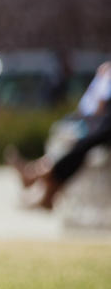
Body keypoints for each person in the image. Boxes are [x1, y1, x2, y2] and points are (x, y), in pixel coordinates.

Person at [8, 61, 111, 210]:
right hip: (91, 125)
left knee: (84, 142)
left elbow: (99, 106)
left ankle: (38, 175)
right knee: (75, 140)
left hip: (99, 127)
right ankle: (43, 182)